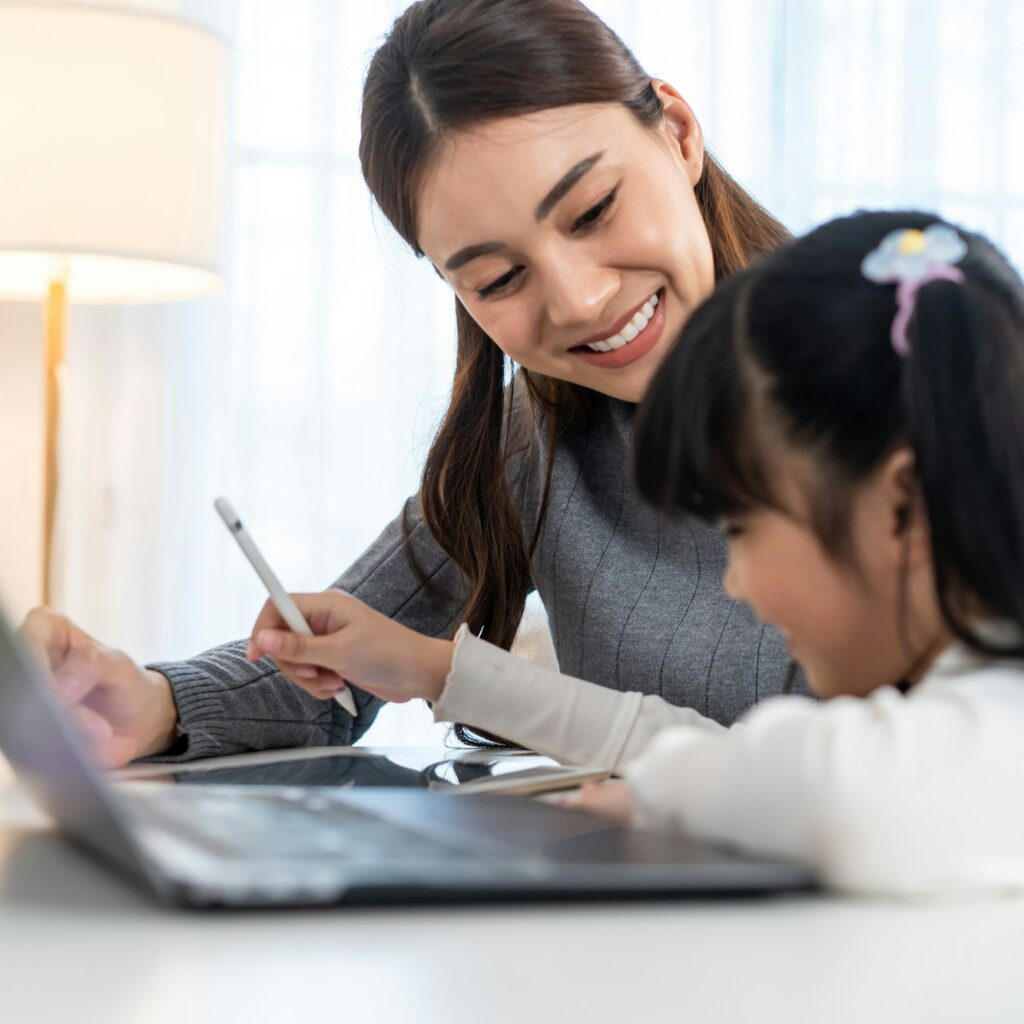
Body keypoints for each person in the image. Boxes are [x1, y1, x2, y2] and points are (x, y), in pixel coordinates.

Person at [20, 0, 799, 768]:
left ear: (680, 134)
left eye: (593, 211)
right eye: (499, 278)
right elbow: (335, 670)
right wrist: (150, 702)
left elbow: (838, 785)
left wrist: (446, 675)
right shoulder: (539, 432)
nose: (579, 301)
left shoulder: (890, 371)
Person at [250, 211, 1024, 895]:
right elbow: (717, 751)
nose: (737, 582)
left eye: (743, 527)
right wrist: (432, 670)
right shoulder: (958, 717)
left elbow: (831, 791)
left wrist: (666, 795)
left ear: (903, 507)